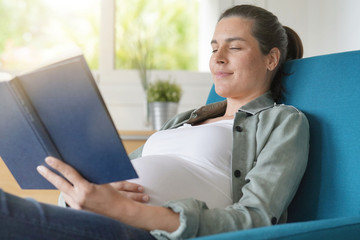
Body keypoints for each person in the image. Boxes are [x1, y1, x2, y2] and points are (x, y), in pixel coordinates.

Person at [0, 4, 309, 240]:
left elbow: (256, 217)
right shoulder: (183, 120)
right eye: (214, 48)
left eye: (235, 47)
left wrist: (128, 211)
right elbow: (113, 181)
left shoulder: (282, 121)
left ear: (271, 59)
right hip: (98, 220)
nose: (218, 57)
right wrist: (77, 197)